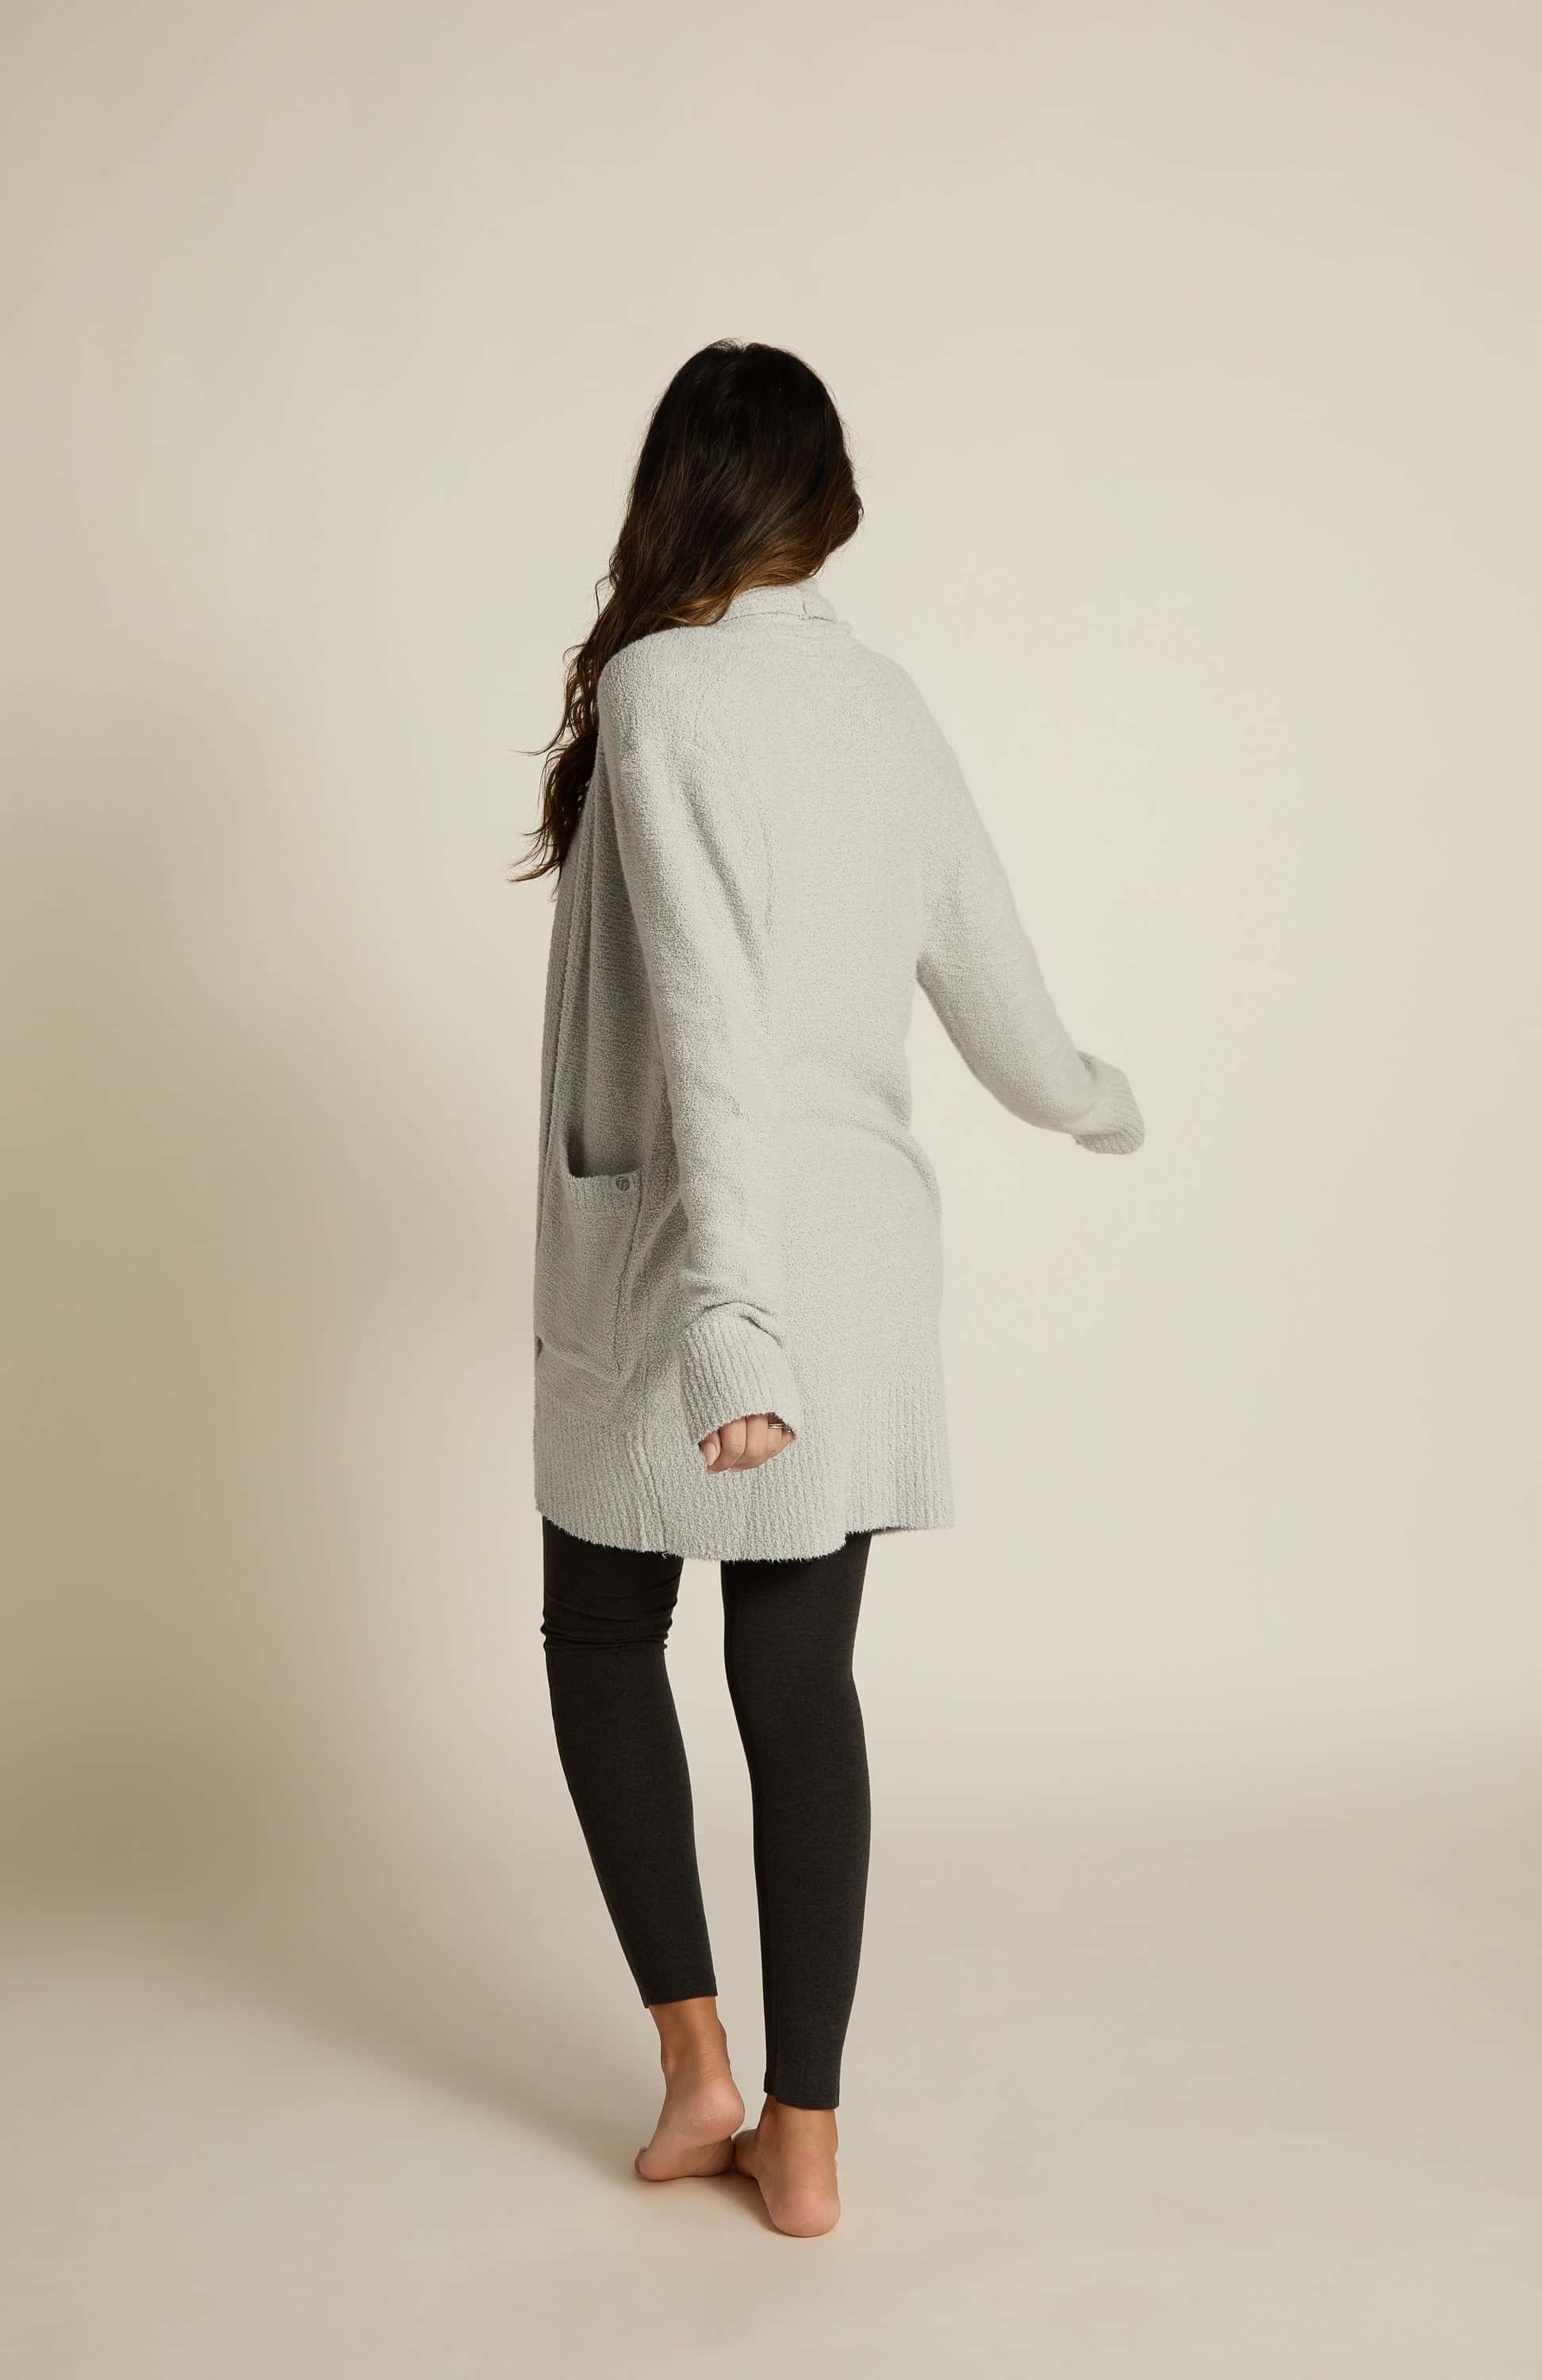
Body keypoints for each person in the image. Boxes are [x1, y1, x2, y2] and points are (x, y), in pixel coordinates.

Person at [516, 340, 1144, 2239]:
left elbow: (708, 1011)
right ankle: (801, 2143)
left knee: (603, 1633)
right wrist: (1087, 1097)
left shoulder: (661, 686)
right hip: (854, 1253)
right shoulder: (881, 702)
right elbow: (994, 982)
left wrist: (729, 1319)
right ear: (823, 497)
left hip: (704, 1264)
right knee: (795, 1681)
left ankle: (699, 2066)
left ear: (675, 489)